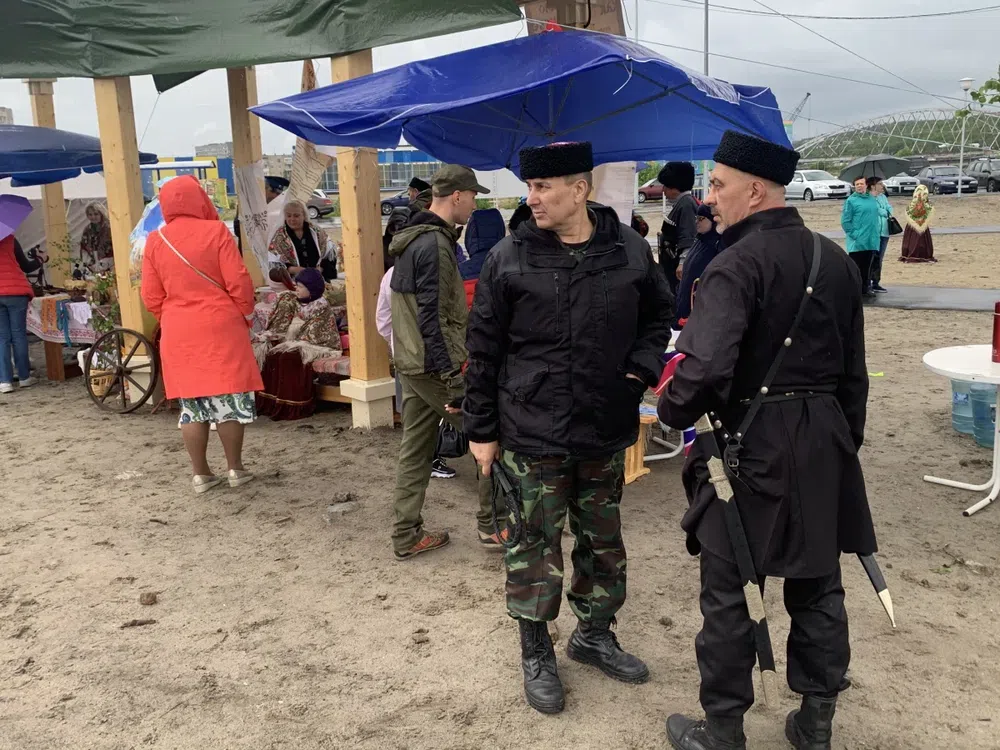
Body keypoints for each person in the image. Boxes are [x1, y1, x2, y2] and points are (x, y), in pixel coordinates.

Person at [657, 130, 877, 750]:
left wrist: (669, 408)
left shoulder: (733, 265)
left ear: (755, 192)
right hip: (824, 439)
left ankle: (723, 732)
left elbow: (703, 371)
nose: (709, 198)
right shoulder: (834, 260)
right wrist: (840, 446)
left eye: (718, 185)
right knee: (819, 583)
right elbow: (854, 374)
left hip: (747, 446)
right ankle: (816, 723)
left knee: (728, 590)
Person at [464, 142, 674, 715]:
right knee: (533, 546)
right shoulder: (508, 257)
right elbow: (482, 351)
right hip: (531, 430)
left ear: (579, 190)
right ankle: (536, 650)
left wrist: (640, 370)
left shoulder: (629, 249)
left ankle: (594, 634)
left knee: (602, 540)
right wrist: (481, 430)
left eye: (543, 187)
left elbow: (659, 316)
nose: (532, 199)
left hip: (604, 425)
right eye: (530, 188)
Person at [387, 164, 504, 560]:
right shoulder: (434, 244)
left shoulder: (414, 238)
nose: (474, 205)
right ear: (456, 195)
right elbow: (433, 319)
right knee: (487, 435)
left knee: (416, 448)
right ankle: (493, 527)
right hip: (434, 366)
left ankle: (406, 534)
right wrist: (454, 378)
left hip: (411, 361)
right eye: (472, 197)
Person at [140, 175, 264, 494]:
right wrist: (244, 313)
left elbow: (151, 295)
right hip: (221, 325)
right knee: (228, 398)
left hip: (179, 329)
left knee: (192, 405)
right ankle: (235, 468)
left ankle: (201, 474)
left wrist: (173, 315)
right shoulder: (217, 231)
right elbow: (239, 281)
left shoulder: (155, 240)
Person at [377, 264, 458, 479]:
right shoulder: (442, 268)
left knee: (413, 426)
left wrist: (398, 345)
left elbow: (383, 322)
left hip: (407, 361)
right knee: (466, 419)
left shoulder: (392, 274)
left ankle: (424, 466)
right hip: (437, 361)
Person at [0, 234, 46, 394]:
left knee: (2, 338)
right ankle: (24, 378)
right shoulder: (10, 238)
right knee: (19, 335)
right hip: (16, 292)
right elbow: (26, 266)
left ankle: (5, 381)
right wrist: (41, 259)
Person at [675, 203, 724, 328]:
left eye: (701, 218)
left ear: (713, 220)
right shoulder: (700, 240)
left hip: (701, 312)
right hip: (686, 305)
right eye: (696, 218)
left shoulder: (718, 245)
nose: (696, 222)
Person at [268, 200, 337, 280]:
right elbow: (274, 265)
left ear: (304, 215)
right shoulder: (279, 237)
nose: (292, 219)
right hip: (293, 283)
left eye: (296, 216)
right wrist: (292, 269)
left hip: (319, 279)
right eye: (289, 216)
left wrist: (321, 269)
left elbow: (330, 256)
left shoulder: (317, 232)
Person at [658, 161, 699, 295]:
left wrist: (683, 263)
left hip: (677, 269)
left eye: (665, 186)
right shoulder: (682, 203)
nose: (663, 190)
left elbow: (688, 235)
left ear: (674, 187)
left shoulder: (686, 204)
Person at [840, 176, 881, 297]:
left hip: (871, 239)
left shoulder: (872, 199)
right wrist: (854, 234)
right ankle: (854, 289)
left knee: (868, 267)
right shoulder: (851, 201)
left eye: (861, 183)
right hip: (858, 241)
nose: (859, 186)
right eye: (857, 184)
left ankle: (865, 288)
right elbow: (845, 221)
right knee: (855, 267)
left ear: (866, 185)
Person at [900, 185, 936, 263]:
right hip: (920, 227)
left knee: (911, 240)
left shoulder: (911, 206)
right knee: (921, 240)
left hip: (911, 226)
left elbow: (909, 212)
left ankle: (908, 253)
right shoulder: (926, 206)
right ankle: (922, 254)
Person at [869, 177, 892, 293]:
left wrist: (887, 211)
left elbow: (889, 209)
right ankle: (868, 282)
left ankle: (876, 282)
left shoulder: (883, 197)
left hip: (885, 231)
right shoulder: (869, 198)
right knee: (872, 257)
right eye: (879, 184)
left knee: (880, 259)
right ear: (873, 186)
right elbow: (876, 210)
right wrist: (884, 211)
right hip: (874, 232)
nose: (882, 186)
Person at [79, 202, 114, 274]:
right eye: (90, 214)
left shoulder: (110, 227)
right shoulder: (87, 230)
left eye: (96, 214)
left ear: (101, 214)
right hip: (94, 265)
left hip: (111, 263)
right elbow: (84, 248)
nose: (93, 217)